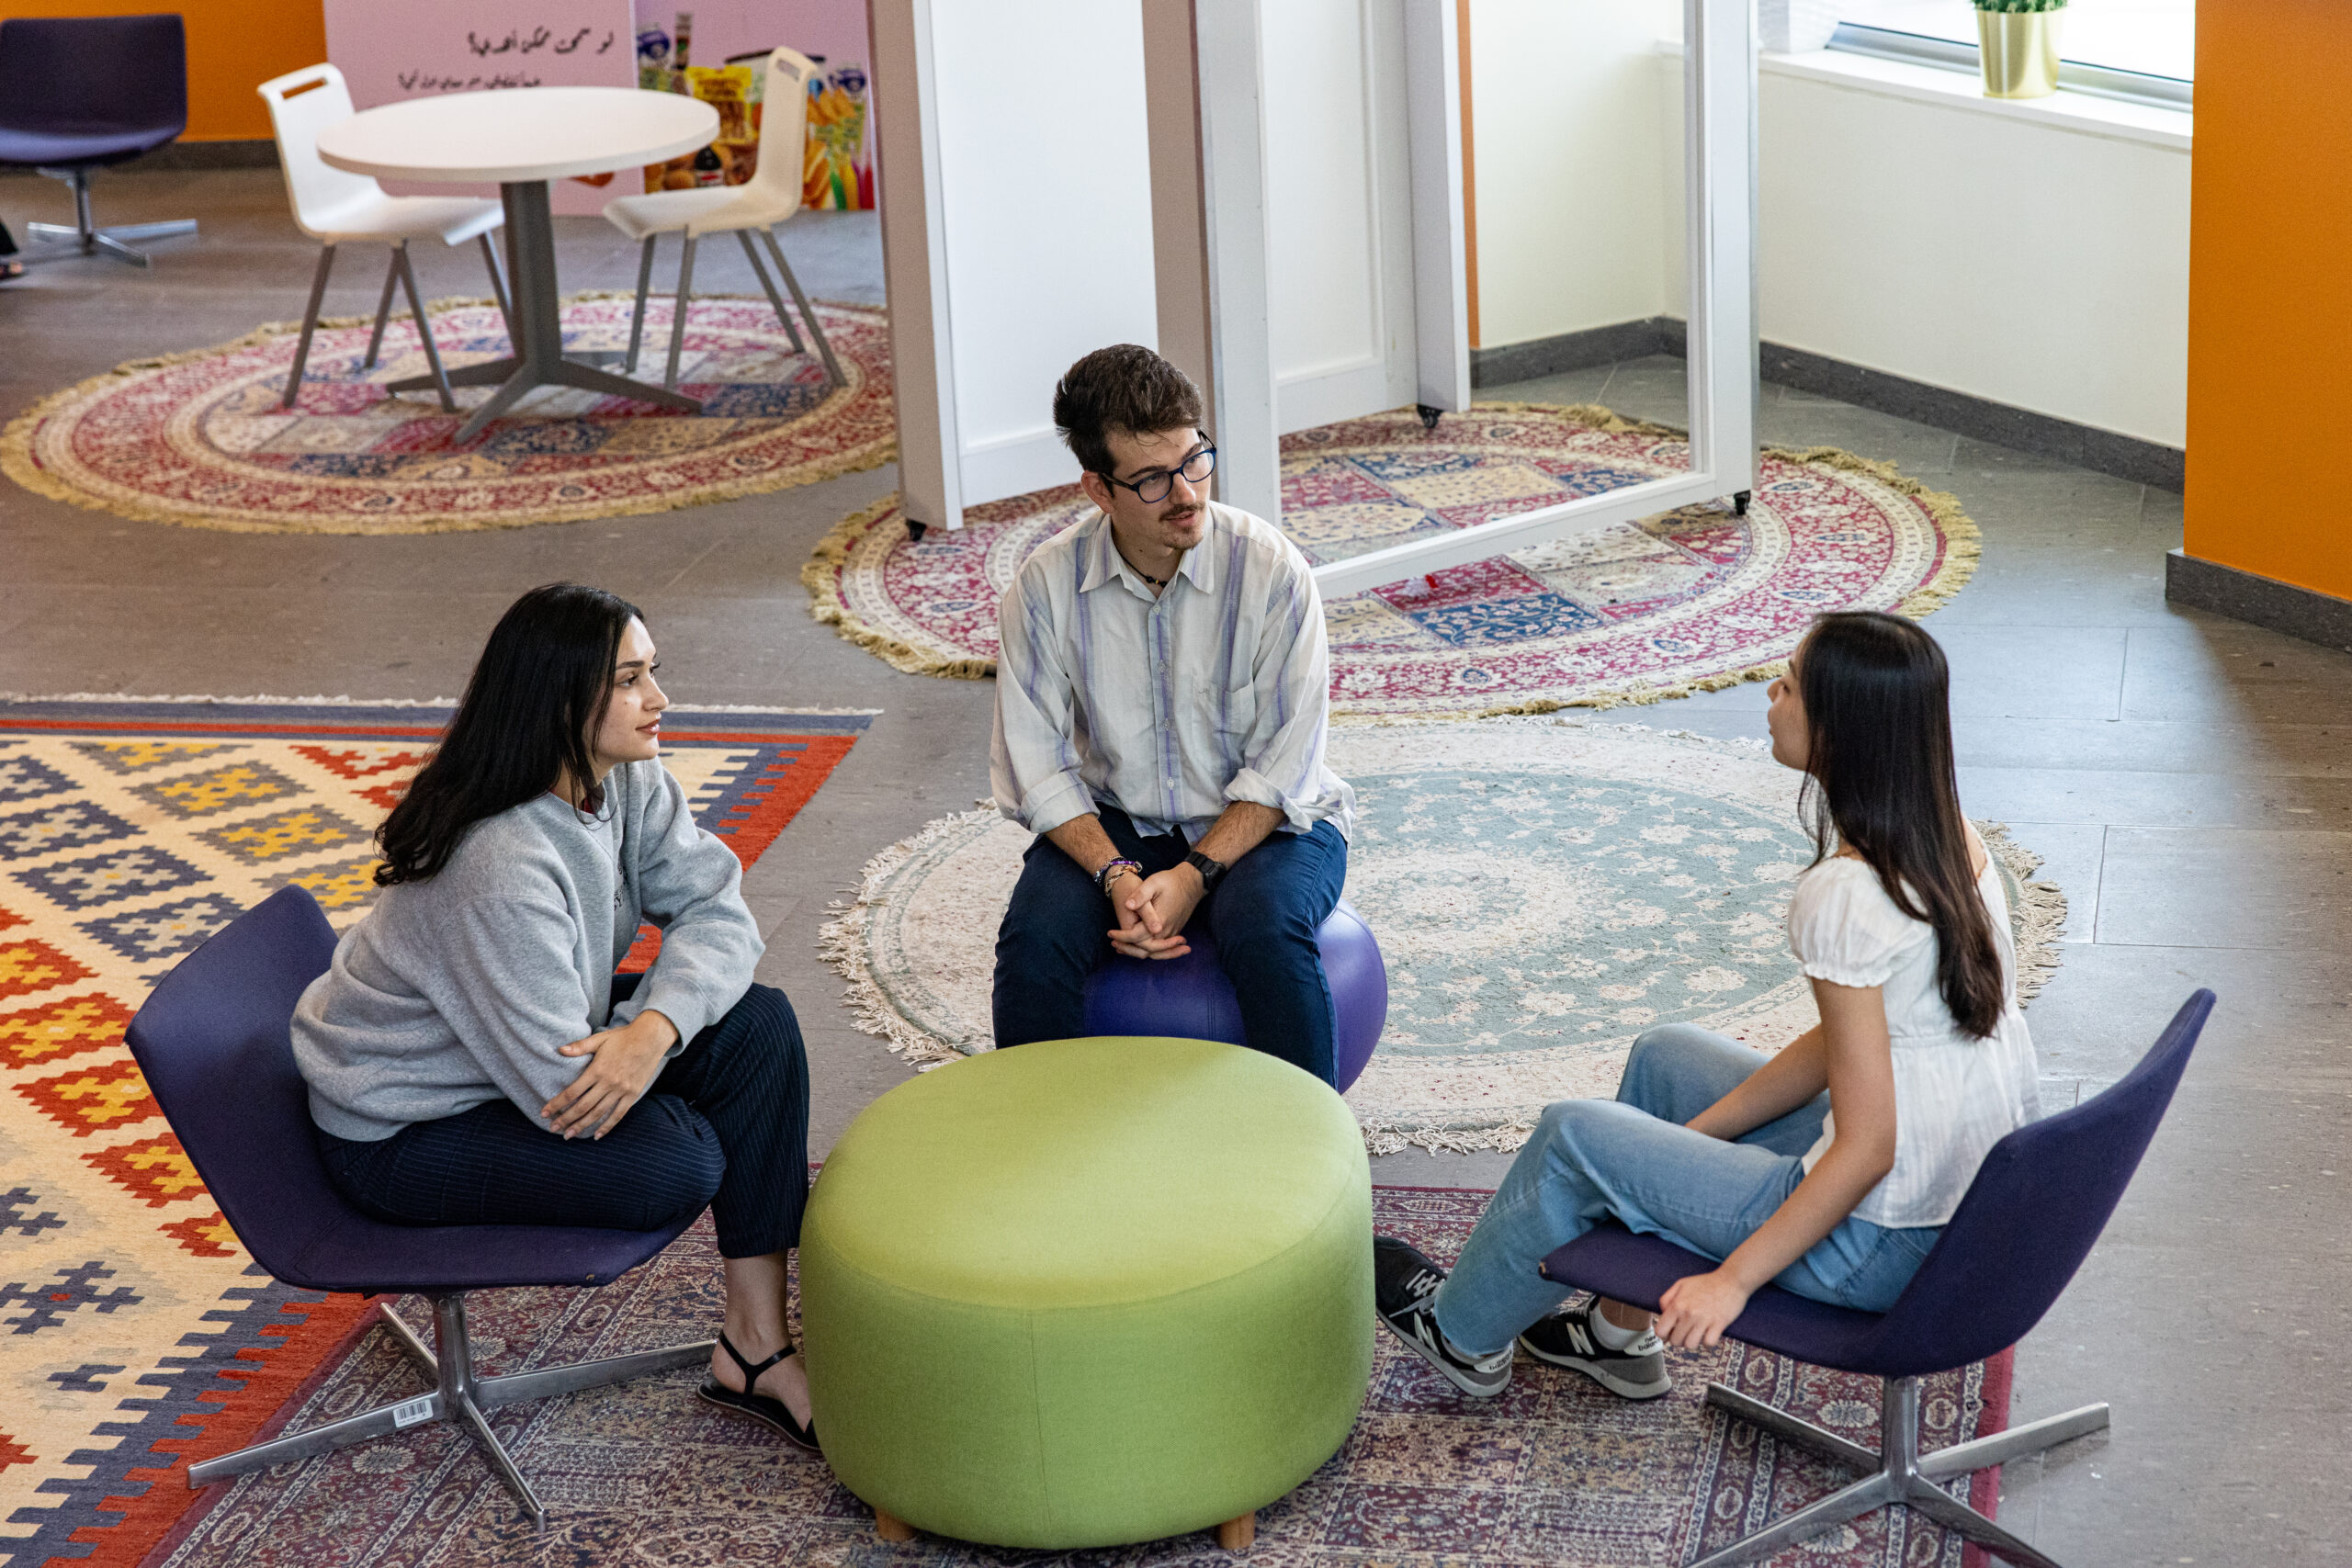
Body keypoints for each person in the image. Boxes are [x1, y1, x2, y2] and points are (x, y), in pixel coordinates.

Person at [1374, 611, 2041, 1401]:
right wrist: (1672, 1148)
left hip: (1885, 1241)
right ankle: (1619, 1335)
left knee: (1572, 1136)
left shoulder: (1847, 893)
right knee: (1667, 1056)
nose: (1771, 690)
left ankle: (1461, 1336)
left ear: (1839, 729)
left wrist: (1730, 1280)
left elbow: (1868, 1150)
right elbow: (1846, 1045)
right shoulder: (1950, 839)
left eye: (1789, 683)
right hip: (1973, 1210)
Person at [291, 583, 820, 1449]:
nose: (660, 699)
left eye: (655, 671)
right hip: (404, 1129)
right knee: (681, 1162)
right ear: (559, 700)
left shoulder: (623, 778)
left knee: (758, 1029)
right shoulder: (498, 857)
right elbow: (565, 1086)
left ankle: (755, 1351)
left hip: (531, 1043)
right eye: (630, 681)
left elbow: (719, 907)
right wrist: (657, 1048)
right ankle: (745, 1316)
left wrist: (654, 1029)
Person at [989, 344, 1357, 1084]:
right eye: (1153, 479)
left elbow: (1289, 762)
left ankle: (1306, 1161)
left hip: (1270, 825)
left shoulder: (1273, 572)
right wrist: (1117, 875)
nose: (1187, 492)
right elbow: (1037, 768)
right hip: (1118, 819)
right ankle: (1035, 1152)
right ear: (1098, 488)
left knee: (1263, 932)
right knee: (1032, 944)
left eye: (1195, 460)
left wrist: (1192, 877)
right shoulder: (1044, 587)